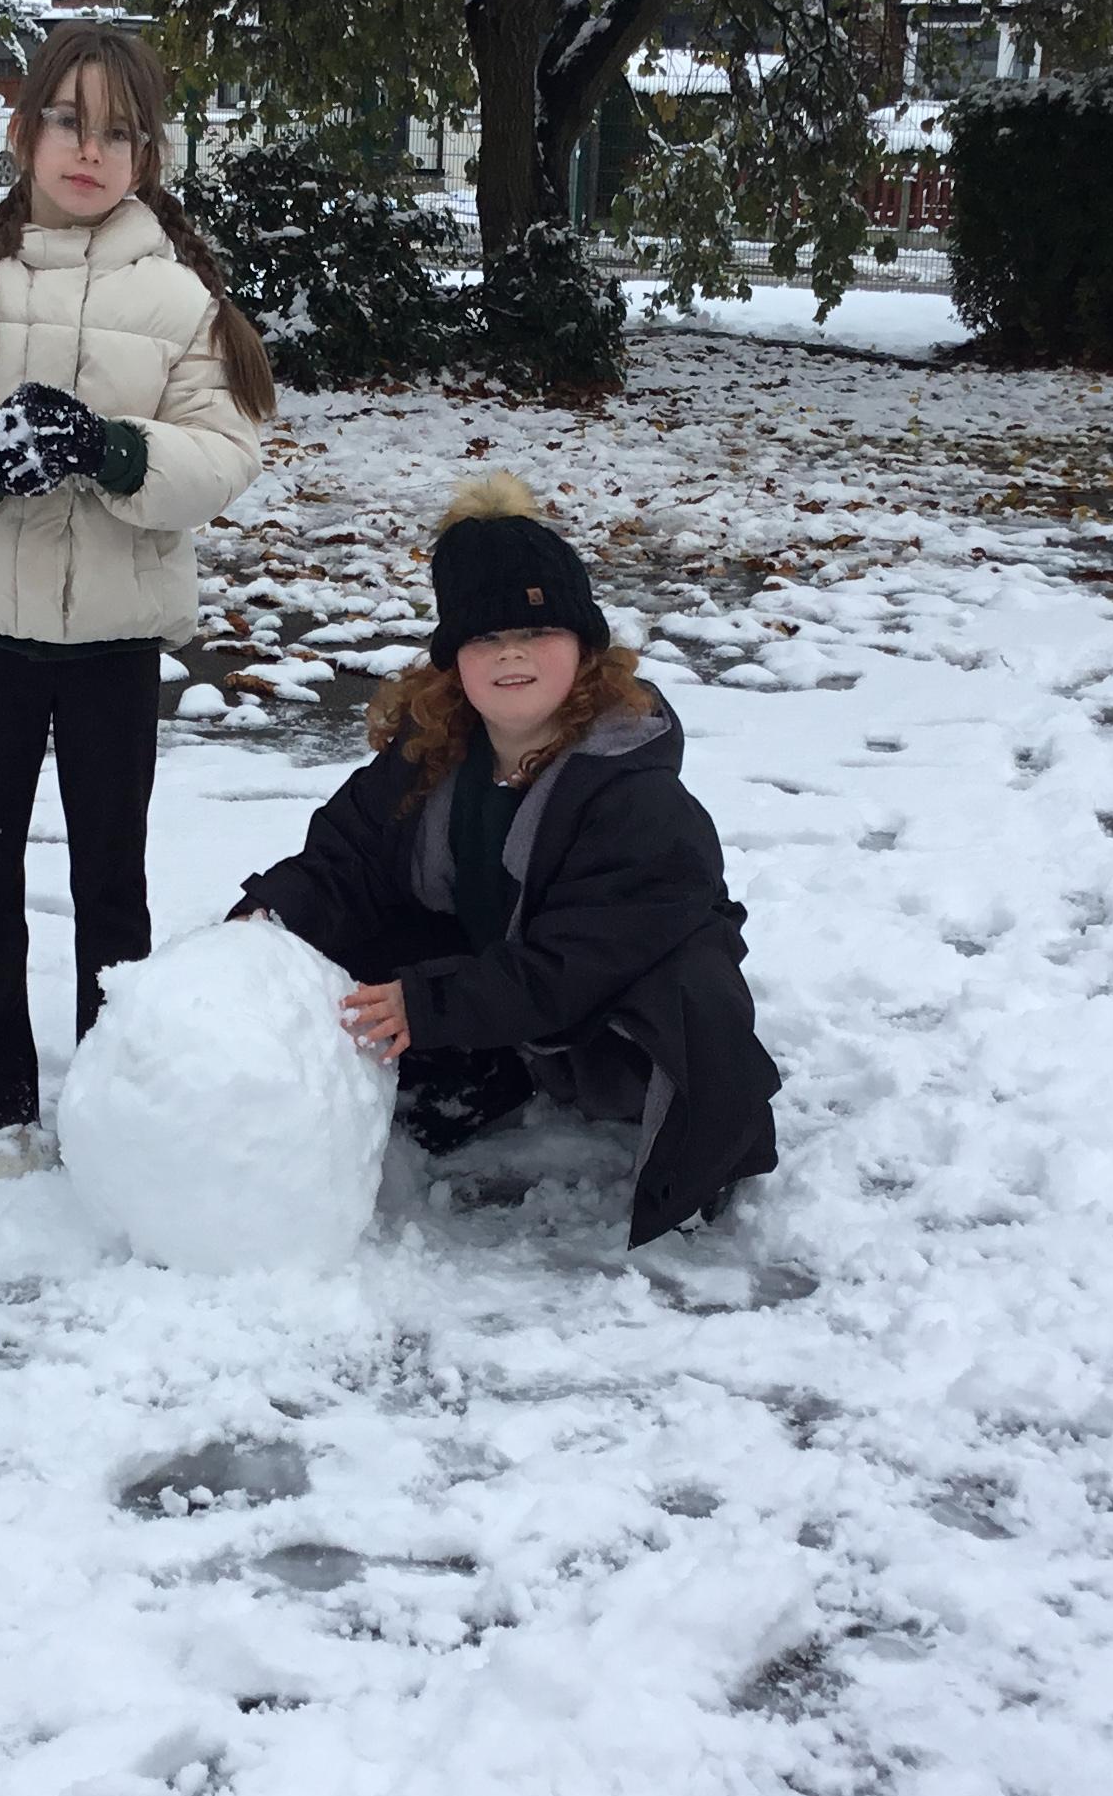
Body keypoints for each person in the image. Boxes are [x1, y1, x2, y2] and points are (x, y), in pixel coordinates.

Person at [0, 24, 277, 1186]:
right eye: (69, 123)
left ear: (149, 156)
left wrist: (116, 452)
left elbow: (223, 452)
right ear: (23, 132)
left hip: (114, 640)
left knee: (112, 878)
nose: (90, 152)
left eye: (120, 134)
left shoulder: (181, 301)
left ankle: (111, 1093)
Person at [235, 474, 781, 1244]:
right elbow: (348, 858)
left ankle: (697, 1151)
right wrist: (269, 919)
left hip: (613, 1014)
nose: (511, 654)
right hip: (501, 986)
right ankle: (482, 1076)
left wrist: (431, 1004)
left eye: (537, 632)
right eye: (485, 638)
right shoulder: (433, 751)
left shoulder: (637, 795)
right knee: (348, 943)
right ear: (453, 659)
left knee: (688, 994)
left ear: (585, 649)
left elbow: (577, 964)